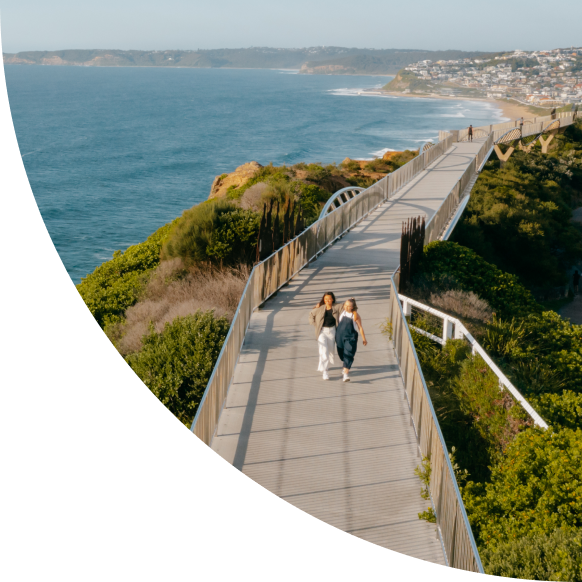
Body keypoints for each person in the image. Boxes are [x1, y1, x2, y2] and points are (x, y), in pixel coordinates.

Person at [309, 292, 343, 380]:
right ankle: (325, 371)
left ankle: (321, 364)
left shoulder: (337, 306)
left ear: (333, 299)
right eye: (326, 299)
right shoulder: (320, 308)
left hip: (332, 331)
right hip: (322, 331)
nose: (327, 301)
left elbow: (346, 307)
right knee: (324, 350)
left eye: (329, 299)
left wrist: (352, 301)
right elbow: (311, 315)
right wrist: (316, 325)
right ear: (324, 299)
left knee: (330, 350)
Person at [336, 298, 367, 382]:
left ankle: (346, 374)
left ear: (353, 307)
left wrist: (364, 339)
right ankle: (345, 365)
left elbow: (360, 327)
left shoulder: (355, 316)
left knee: (348, 354)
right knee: (341, 354)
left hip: (350, 337)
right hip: (340, 336)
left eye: (349, 306)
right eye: (345, 305)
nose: (346, 307)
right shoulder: (342, 312)